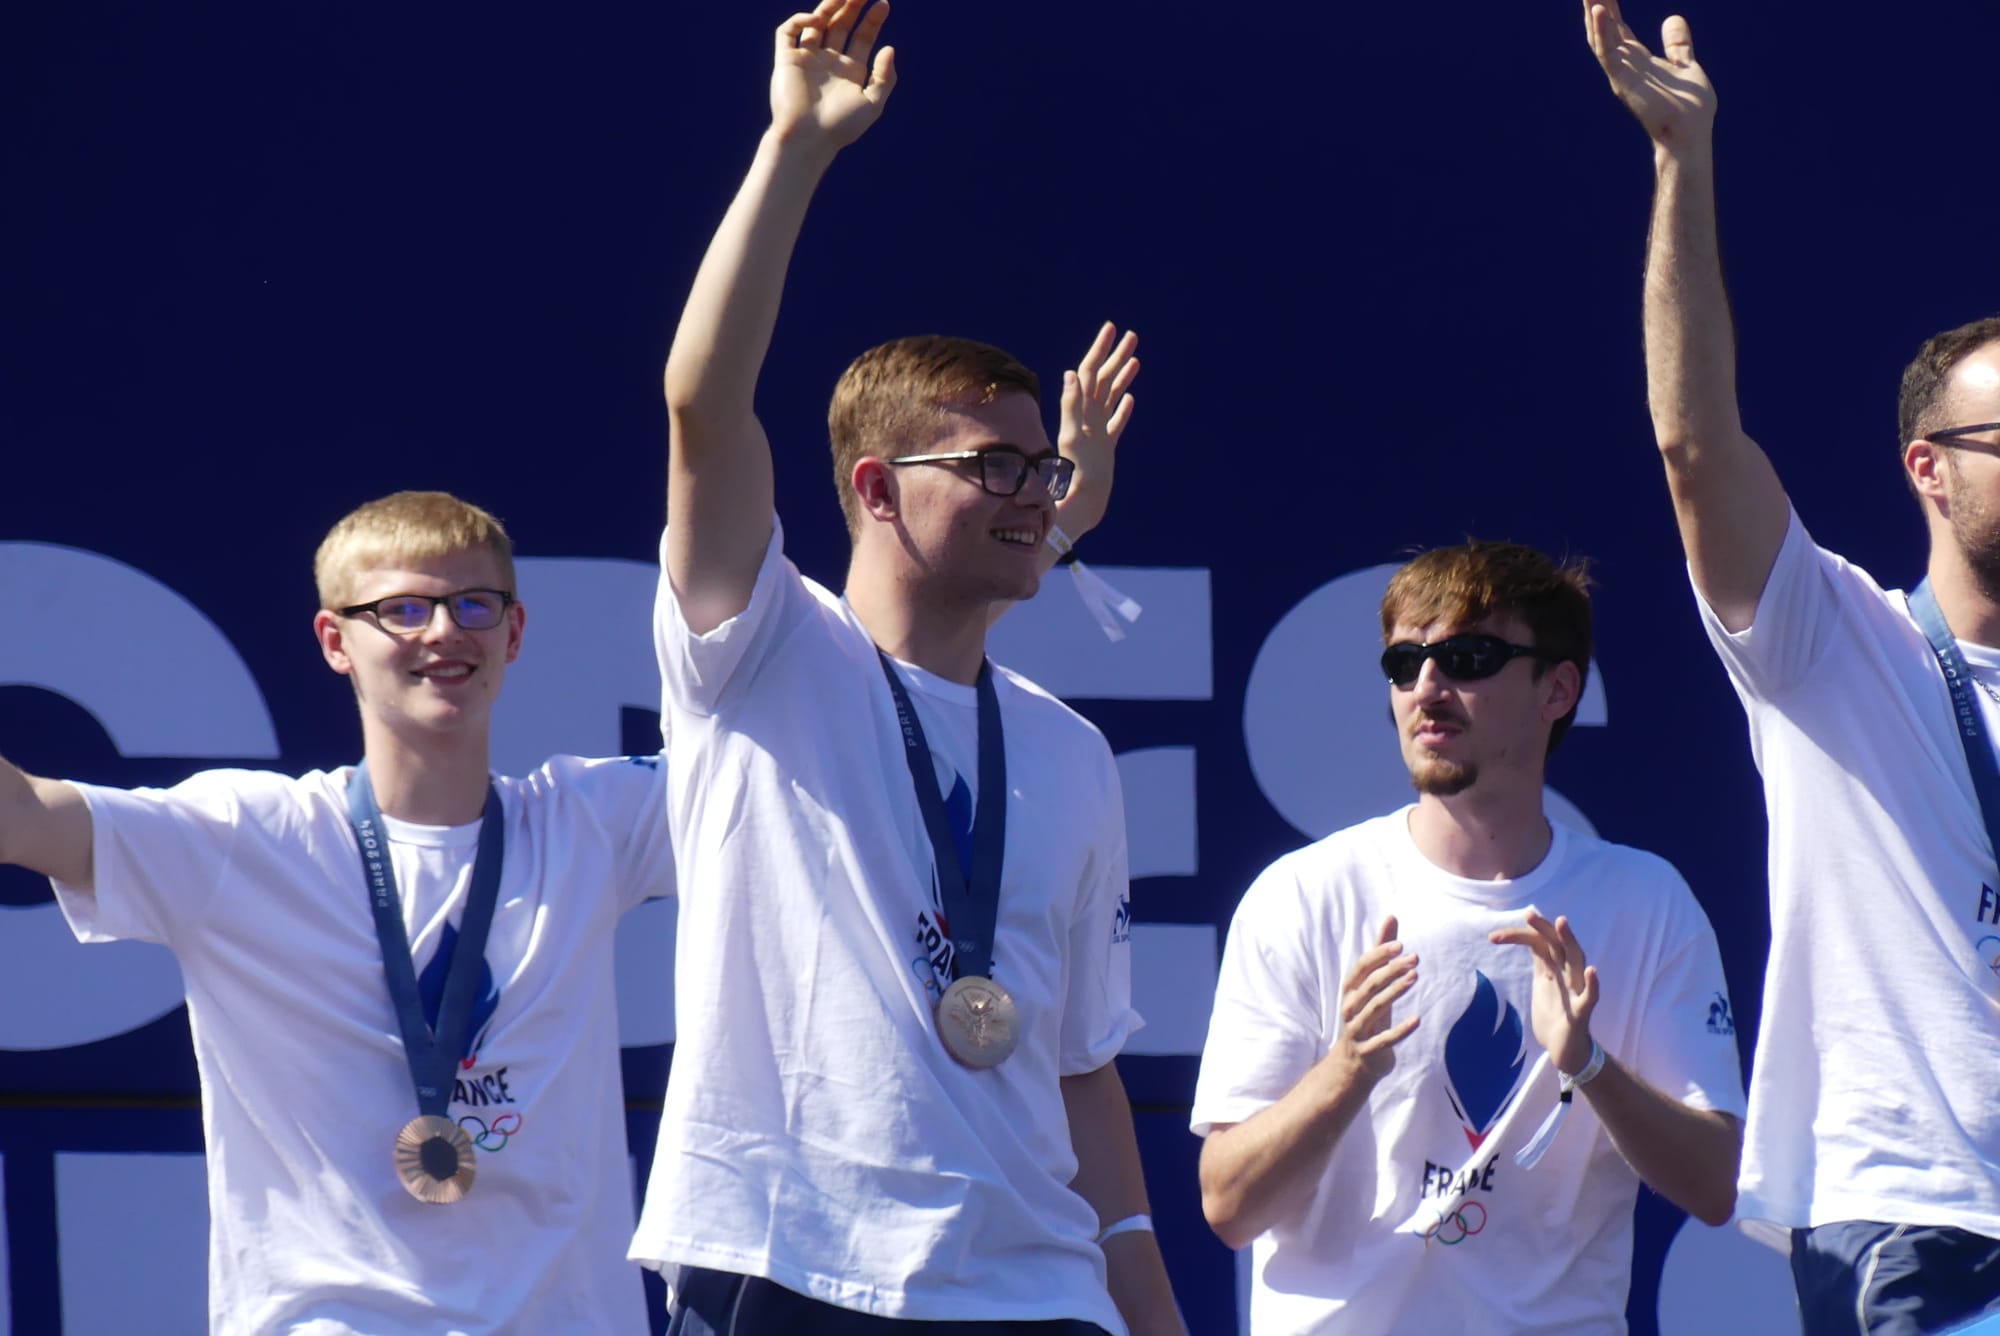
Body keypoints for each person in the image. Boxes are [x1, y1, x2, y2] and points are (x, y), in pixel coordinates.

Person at [628, 3, 1181, 1332]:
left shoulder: (1067, 751)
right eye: (992, 467)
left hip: (1038, 1291)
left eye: (1041, 467)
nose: (1032, 492)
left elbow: (1080, 1071)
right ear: (876, 489)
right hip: (790, 1265)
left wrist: (1151, 1312)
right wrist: (794, 151)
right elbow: (704, 406)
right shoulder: (762, 648)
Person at [0, 490, 672, 1335]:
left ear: (515, 631)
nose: (442, 632)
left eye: (474, 604)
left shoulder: (590, 822)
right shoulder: (248, 838)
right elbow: (22, 814)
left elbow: (803, 770)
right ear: (335, 641)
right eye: (402, 609)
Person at [1585, 2, 2000, 1329]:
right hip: (1927, 1224)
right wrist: (1682, 163)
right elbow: (1697, 448)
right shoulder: (1838, 640)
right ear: (1926, 467)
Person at [1190, 540, 1745, 1334]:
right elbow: (1228, 1206)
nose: (1426, 687)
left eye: (1469, 657)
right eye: (1404, 660)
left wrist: (1588, 1064)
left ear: (1559, 689)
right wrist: (1345, 1072)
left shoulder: (1644, 901)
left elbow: (1714, 1185)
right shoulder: (1302, 895)